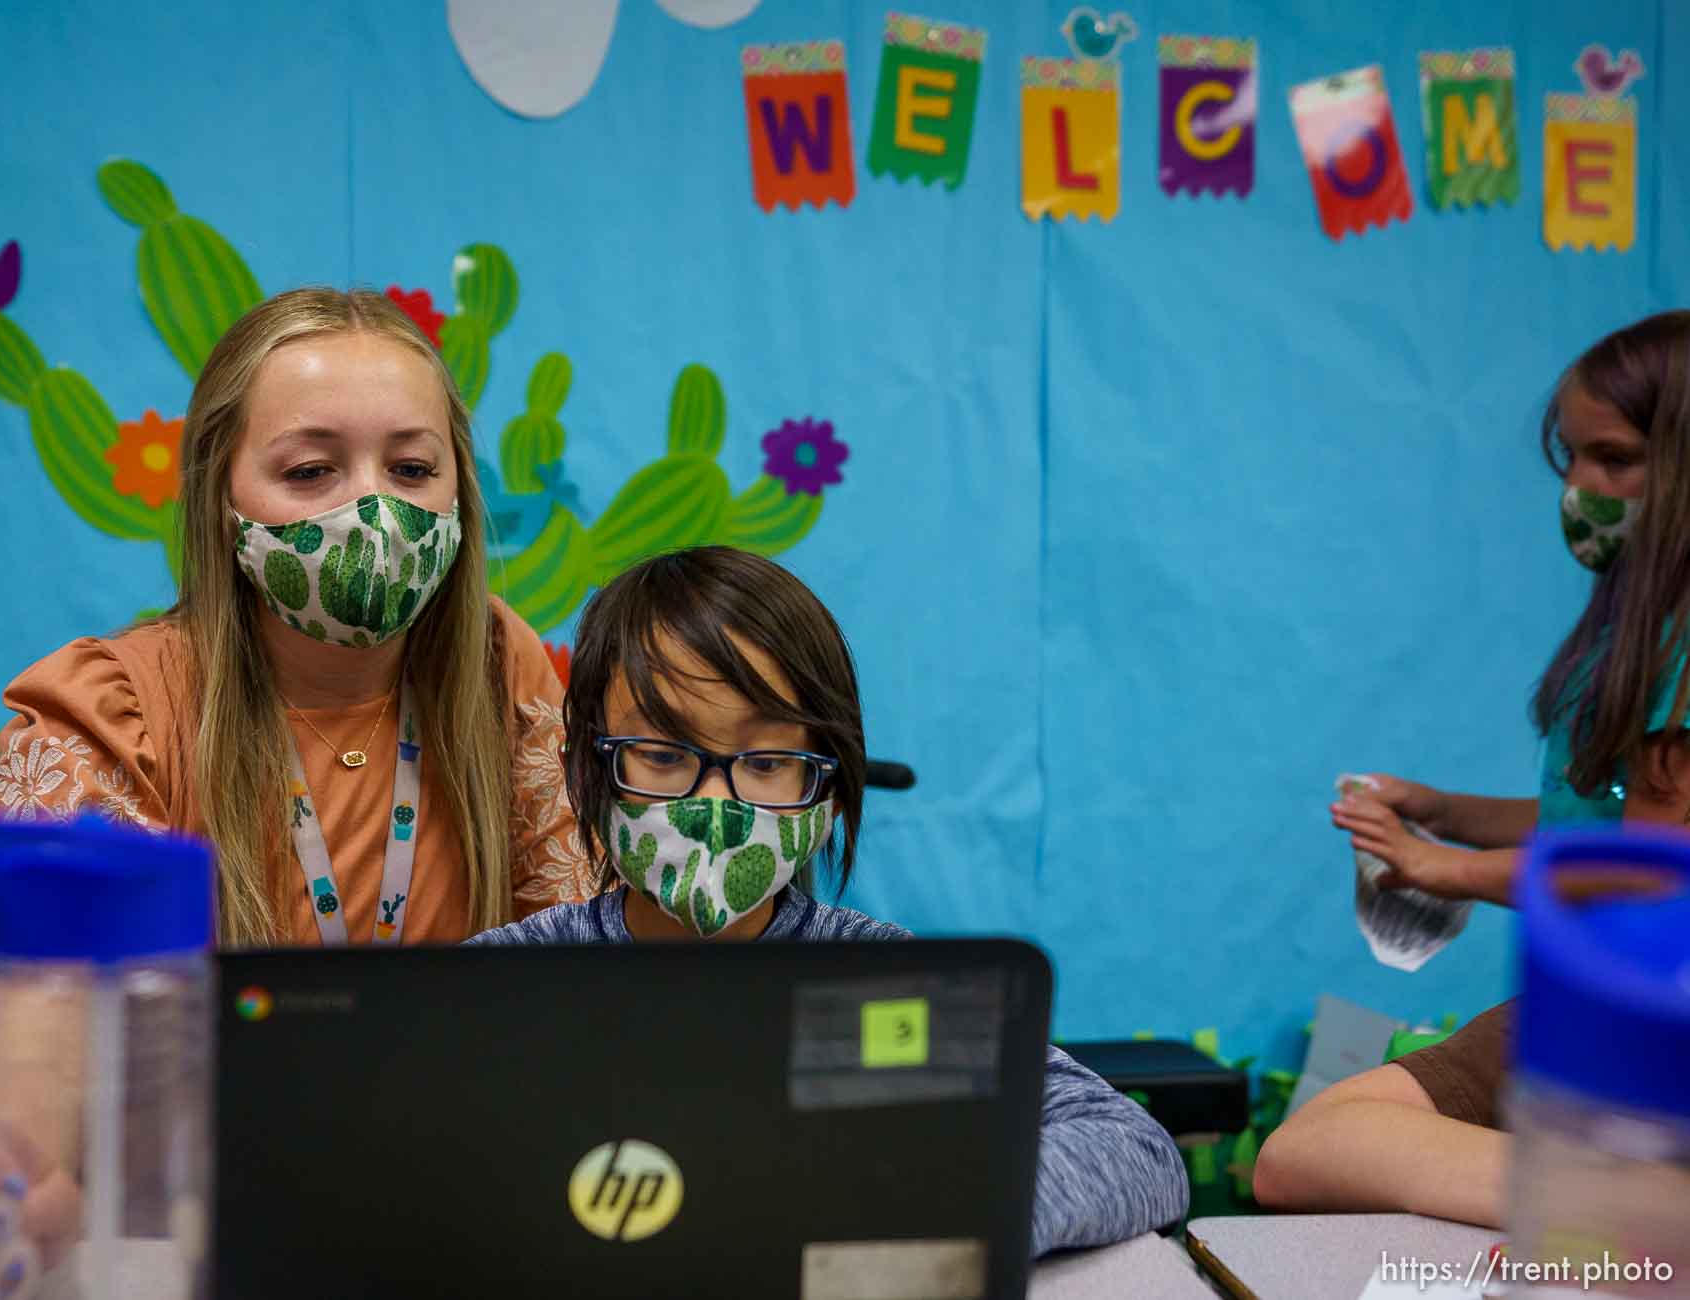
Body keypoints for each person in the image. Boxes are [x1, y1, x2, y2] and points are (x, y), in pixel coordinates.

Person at [0, 287, 591, 1298]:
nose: (373, 510)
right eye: (311, 470)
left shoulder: (502, 673)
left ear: (460, 494)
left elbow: (580, 999)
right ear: (223, 491)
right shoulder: (109, 711)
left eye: (413, 467)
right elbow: (38, 1040)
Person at [467, 546, 1191, 1256]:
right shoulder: (501, 984)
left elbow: (1135, 1148)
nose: (715, 804)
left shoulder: (884, 984)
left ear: (832, 793)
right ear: (585, 772)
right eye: (662, 754)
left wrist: (945, 1210)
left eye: (769, 762)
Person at [1255, 311, 1690, 1226]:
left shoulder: (1682, 650)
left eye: (1613, 459)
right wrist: (1446, 813)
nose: (1580, 489)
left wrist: (1439, 870)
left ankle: (1644, 1208)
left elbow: (1648, 887)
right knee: (1303, 1153)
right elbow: (1597, 817)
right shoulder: (1636, 634)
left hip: (1648, 1021)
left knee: (1310, 1151)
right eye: (1568, 461)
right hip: (1599, 1005)